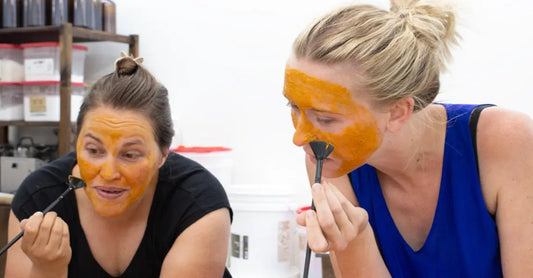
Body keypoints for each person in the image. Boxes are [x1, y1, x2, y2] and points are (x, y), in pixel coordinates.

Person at [284, 0, 533, 277]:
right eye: (293, 107)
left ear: (398, 112)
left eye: (326, 118)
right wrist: (355, 240)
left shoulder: (505, 140)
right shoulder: (330, 160)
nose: (299, 138)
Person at [5, 52, 233, 278]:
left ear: (164, 155)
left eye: (131, 154)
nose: (109, 173)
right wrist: (48, 270)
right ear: (77, 144)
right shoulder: (38, 199)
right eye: (94, 150)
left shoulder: (197, 204)